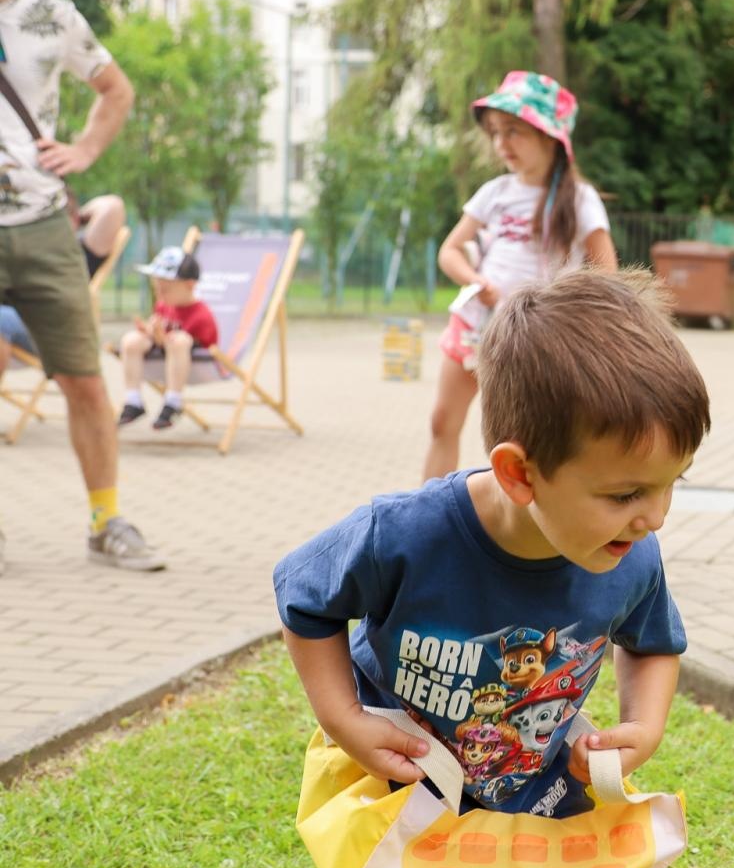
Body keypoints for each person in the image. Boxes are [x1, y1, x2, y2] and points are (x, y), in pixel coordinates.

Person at [274, 269, 707, 821]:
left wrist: (642, 726)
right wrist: (345, 720)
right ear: (520, 474)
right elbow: (304, 595)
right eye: (626, 493)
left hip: (535, 798)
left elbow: (652, 643)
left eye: (675, 481)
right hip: (393, 784)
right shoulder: (406, 535)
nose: (657, 517)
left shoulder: (631, 553)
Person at [0, 0, 159, 573]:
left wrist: (87, 149)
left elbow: (115, 88)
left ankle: (106, 523)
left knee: (86, 381)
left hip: (41, 222)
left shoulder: (52, 14)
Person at [424, 70, 619, 482]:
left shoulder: (579, 200)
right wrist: (475, 281)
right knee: (442, 422)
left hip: (534, 336)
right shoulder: (494, 192)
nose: (501, 143)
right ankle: (424, 523)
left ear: (548, 136)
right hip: (476, 323)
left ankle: (514, 529)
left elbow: (607, 272)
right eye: (496, 132)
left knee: (515, 442)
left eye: (513, 131)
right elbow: (450, 250)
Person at [0, 194, 126, 369]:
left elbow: (113, 206)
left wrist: (77, 216)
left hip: (44, 329)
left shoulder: (79, 255)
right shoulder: (17, 247)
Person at [116, 246, 218, 431]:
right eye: (157, 289)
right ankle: (133, 400)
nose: (160, 295)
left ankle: (173, 401)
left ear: (190, 285)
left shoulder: (201, 315)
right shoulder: (164, 305)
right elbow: (161, 340)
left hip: (195, 367)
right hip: (163, 361)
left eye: (165, 290)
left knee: (178, 341)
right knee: (130, 340)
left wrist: (164, 339)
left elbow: (206, 346)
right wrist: (150, 332)